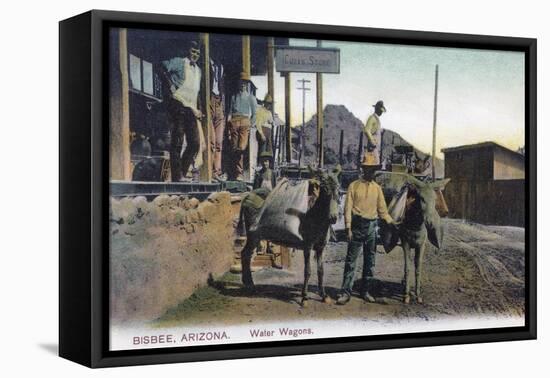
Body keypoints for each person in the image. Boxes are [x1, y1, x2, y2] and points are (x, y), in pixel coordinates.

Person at [336, 153, 396, 305]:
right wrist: (348, 228)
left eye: (373, 169)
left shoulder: (377, 189)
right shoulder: (353, 186)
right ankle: (345, 292)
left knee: (370, 261)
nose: (371, 172)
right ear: (363, 169)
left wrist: (392, 223)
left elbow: (383, 211)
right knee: (351, 261)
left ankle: (366, 291)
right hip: (356, 226)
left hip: (371, 227)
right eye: (368, 169)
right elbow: (347, 208)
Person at [162, 41, 203, 182]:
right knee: (178, 140)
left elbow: (195, 92)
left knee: (195, 143)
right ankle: (177, 177)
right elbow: (161, 66)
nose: (195, 55)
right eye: (193, 51)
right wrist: (170, 85)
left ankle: (182, 173)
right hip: (177, 103)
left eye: (197, 53)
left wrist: (197, 109)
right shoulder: (179, 62)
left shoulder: (198, 71)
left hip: (190, 108)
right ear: (188, 50)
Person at [227, 72, 257, 181]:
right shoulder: (234, 97)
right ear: (239, 83)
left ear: (247, 84)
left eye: (245, 82)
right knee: (234, 148)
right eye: (241, 82)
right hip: (234, 122)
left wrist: (250, 124)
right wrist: (229, 122)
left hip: (245, 122)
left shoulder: (251, 98)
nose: (243, 84)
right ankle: (236, 173)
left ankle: (240, 172)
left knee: (241, 148)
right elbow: (230, 112)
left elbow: (254, 114)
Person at [209, 58, 227, 181]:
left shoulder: (221, 67)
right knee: (211, 141)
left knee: (219, 142)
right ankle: (209, 171)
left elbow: (222, 87)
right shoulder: (205, 63)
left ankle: (217, 171)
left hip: (219, 102)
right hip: (209, 100)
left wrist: (223, 104)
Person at [363, 100, 387, 165]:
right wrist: (373, 142)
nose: (381, 113)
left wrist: (381, 132)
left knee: (375, 165)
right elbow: (367, 130)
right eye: (380, 111)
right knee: (372, 166)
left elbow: (374, 131)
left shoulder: (376, 119)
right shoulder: (372, 118)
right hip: (372, 148)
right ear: (377, 110)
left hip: (375, 148)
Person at [256, 94, 275, 158]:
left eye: (270, 104)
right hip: (263, 131)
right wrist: (261, 134)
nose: (269, 105)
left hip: (268, 133)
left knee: (269, 150)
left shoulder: (269, 112)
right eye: (268, 103)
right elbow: (258, 124)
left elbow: (271, 121)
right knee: (262, 150)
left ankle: (268, 165)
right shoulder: (260, 110)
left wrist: (271, 122)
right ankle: (261, 164)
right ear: (265, 103)